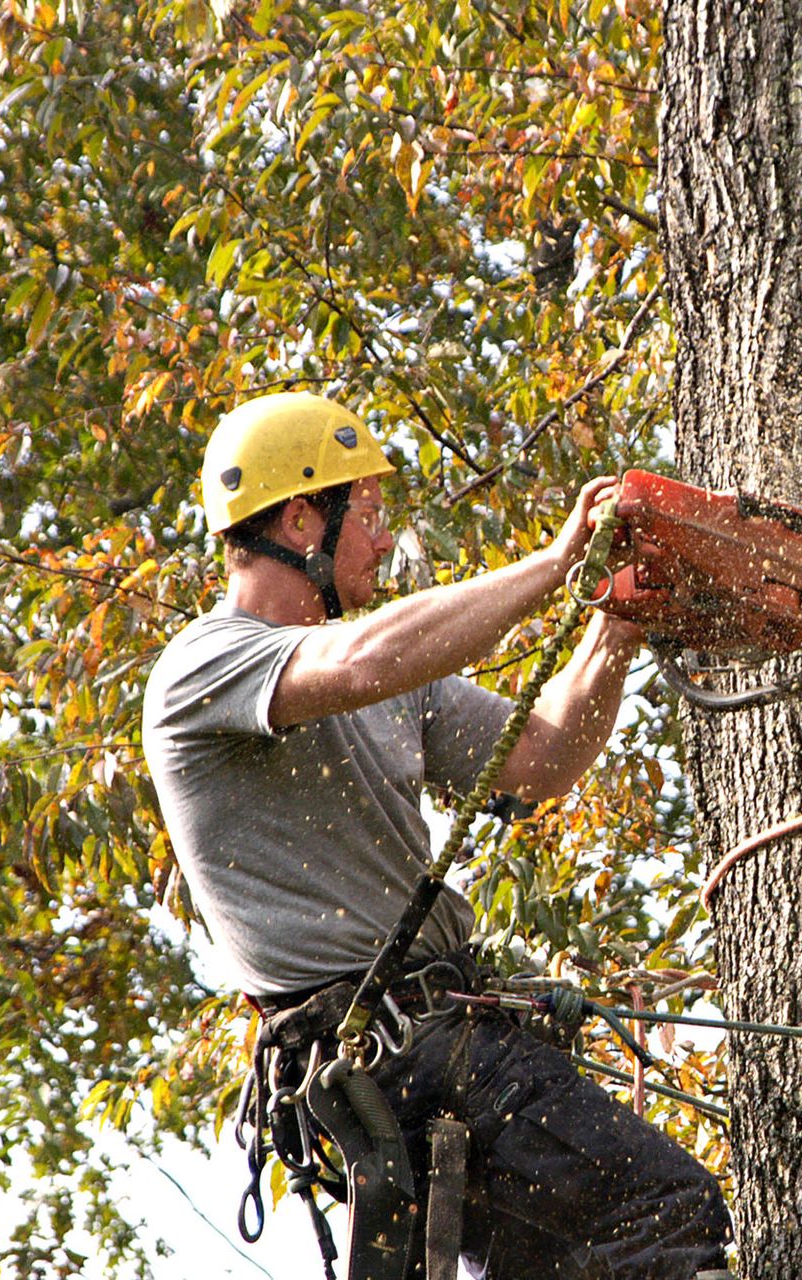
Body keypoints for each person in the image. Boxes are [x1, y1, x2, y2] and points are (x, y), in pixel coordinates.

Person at [141, 392, 731, 1278]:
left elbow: (538, 761)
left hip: (447, 1046)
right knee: (663, 1206)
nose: (382, 542)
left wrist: (615, 623)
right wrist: (554, 563)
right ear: (302, 518)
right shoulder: (205, 666)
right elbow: (363, 659)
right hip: (393, 1055)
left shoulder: (387, 676)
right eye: (369, 516)